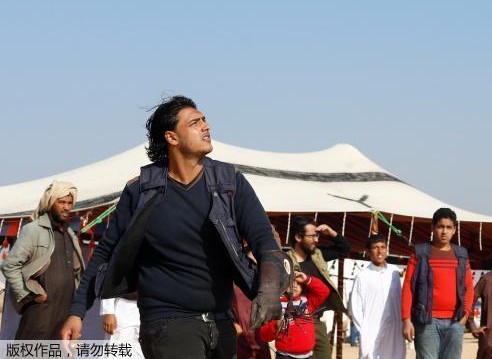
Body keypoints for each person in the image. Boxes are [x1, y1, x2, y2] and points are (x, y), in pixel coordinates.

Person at [62, 95, 287, 359]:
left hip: (221, 321)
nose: (206, 126)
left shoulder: (230, 183)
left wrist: (270, 290)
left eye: (204, 119)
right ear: (172, 137)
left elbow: (265, 242)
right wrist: (77, 311)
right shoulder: (141, 191)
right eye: (195, 122)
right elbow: (105, 254)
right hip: (167, 323)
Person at [1, 181, 84, 340]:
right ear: (50, 202)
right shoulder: (33, 230)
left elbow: (77, 272)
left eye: (69, 203)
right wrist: (27, 294)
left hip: (65, 315)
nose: (66, 207)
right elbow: (10, 265)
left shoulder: (70, 235)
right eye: (61, 202)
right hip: (40, 314)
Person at [402, 207, 474, 359]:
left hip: (456, 321)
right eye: (440, 226)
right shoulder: (420, 253)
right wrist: (406, 319)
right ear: (433, 228)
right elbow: (408, 286)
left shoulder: (461, 255)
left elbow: (469, 288)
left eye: (449, 227)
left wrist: (465, 315)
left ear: (454, 230)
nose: (444, 231)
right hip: (427, 322)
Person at [290, 216, 351, 359]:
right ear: (298, 237)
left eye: (317, 236)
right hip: (297, 322)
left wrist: (331, 233)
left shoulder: (318, 255)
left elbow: (345, 249)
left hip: (317, 322)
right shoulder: (286, 261)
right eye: (312, 236)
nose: (316, 240)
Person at [348, 234, 405, 359]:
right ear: (368, 252)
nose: (380, 251)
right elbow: (356, 307)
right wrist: (363, 330)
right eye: (375, 247)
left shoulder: (394, 272)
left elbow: (401, 298)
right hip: (371, 329)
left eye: (383, 247)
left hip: (394, 328)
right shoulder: (362, 276)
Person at [259, 271, 330, 359]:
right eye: (291, 281)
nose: (295, 285)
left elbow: (324, 291)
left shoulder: (307, 302)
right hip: (285, 356)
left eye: (299, 283)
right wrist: (275, 326)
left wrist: (307, 279)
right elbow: (264, 336)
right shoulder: (275, 305)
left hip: (308, 356)